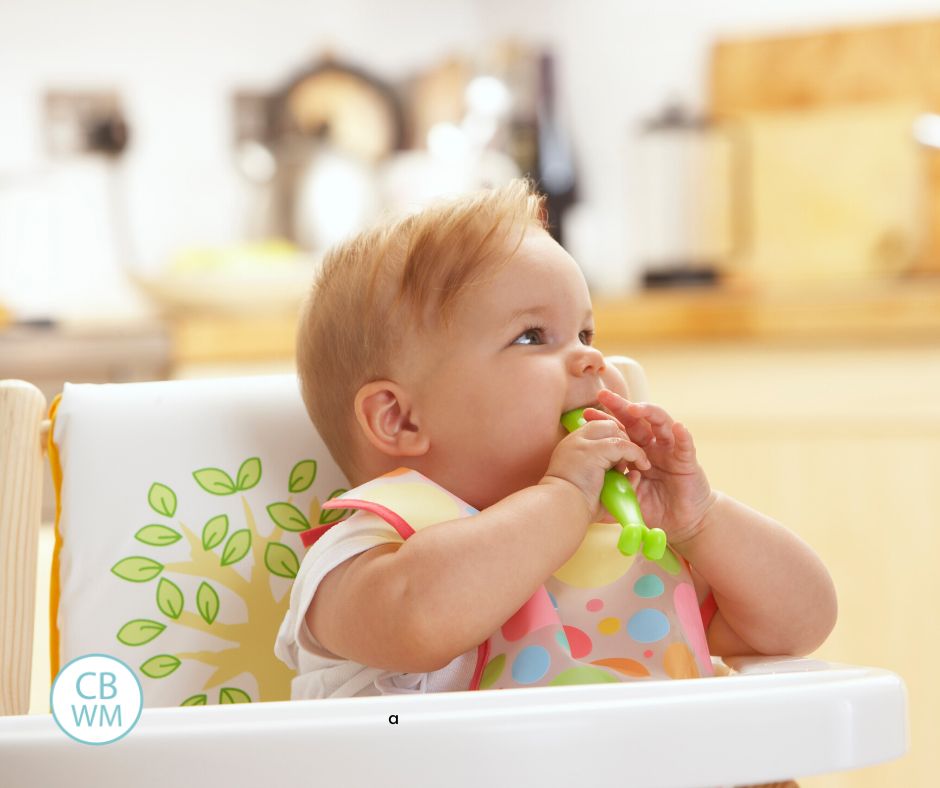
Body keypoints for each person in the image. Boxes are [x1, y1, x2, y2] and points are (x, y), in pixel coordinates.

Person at [274, 178, 837, 699]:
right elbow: (418, 620)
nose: (590, 356)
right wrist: (562, 497)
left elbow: (800, 625)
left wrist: (701, 520)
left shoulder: (629, 544)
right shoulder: (369, 551)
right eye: (532, 337)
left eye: (585, 332)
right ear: (400, 420)